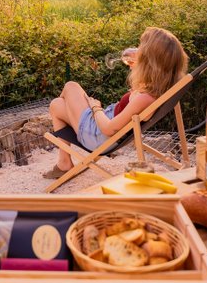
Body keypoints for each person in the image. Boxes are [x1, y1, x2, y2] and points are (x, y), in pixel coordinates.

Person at [43, 26, 189, 179]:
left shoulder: (144, 99)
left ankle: (66, 156)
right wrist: (138, 69)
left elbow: (108, 129)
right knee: (57, 104)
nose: (137, 50)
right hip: (105, 129)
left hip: (98, 135)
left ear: (149, 61)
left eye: (141, 49)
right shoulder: (158, 90)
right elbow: (134, 103)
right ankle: (64, 162)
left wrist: (95, 108)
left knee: (70, 86)